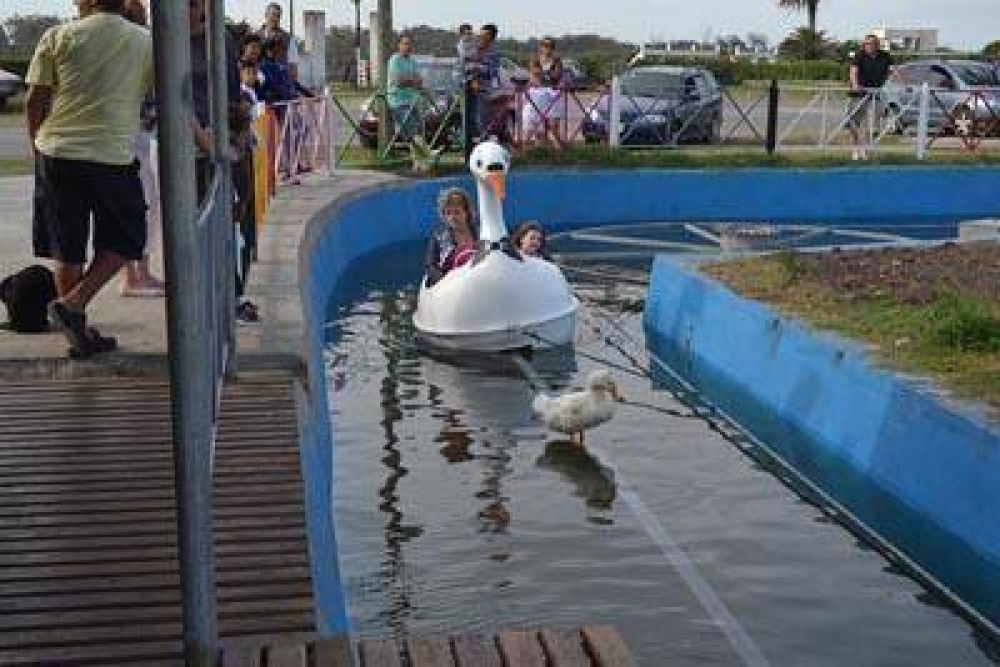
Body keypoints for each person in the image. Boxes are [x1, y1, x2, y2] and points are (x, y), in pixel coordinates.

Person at [25, 0, 153, 357]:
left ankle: (75, 321)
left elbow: (35, 100)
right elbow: (166, 94)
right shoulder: (144, 42)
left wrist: (39, 148)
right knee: (129, 236)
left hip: (57, 151)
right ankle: (75, 306)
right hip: (110, 154)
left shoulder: (58, 36)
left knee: (67, 244)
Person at [119, 0, 165, 298]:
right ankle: (134, 275)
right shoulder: (134, 45)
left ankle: (139, 272)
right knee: (143, 203)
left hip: (138, 134)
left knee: (146, 202)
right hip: (130, 134)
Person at [848, 34, 896, 160]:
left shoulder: (885, 56)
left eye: (871, 44)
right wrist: (855, 85)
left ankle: (864, 148)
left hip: (876, 92)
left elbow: (893, 71)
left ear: (877, 45)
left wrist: (900, 82)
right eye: (866, 44)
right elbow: (853, 71)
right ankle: (855, 148)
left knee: (873, 120)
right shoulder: (860, 56)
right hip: (859, 91)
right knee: (855, 121)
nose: (868, 46)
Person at [424, 188, 478, 286]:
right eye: (448, 213)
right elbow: (430, 265)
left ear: (466, 212)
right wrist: (445, 281)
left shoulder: (480, 233)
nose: (452, 217)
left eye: (457, 212)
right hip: (452, 286)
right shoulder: (439, 237)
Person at [387, 35, 423, 141]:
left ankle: (422, 152)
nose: (408, 46)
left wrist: (409, 81)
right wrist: (412, 81)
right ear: (399, 45)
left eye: (409, 44)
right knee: (411, 127)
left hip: (411, 100)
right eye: (405, 44)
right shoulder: (395, 59)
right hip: (397, 101)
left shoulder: (413, 61)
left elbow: (419, 81)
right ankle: (419, 152)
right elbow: (398, 82)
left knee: (420, 127)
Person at [258, 2, 299, 83]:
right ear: (266, 15)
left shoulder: (289, 39)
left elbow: (293, 68)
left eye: (278, 16)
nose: (275, 18)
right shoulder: (255, 37)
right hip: (259, 84)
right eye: (273, 14)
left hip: (280, 84)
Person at [474, 24, 501, 139]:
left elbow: (492, 72)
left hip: (484, 91)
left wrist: (477, 69)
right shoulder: (473, 49)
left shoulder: (494, 53)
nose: (480, 37)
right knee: (471, 121)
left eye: (483, 35)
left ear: (491, 38)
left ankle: (483, 143)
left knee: (483, 120)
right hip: (469, 90)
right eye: (479, 35)